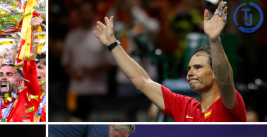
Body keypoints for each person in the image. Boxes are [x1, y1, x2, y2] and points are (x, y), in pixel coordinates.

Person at [94, 1, 247, 122]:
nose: (190, 73)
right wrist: (113, 44)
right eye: (189, 68)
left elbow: (225, 80)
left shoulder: (229, 104)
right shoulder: (183, 106)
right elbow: (142, 81)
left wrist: (214, 40)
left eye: (198, 67)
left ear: (214, 73)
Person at [0, 16, 43, 122]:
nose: (3, 78)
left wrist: (33, 31)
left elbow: (30, 58)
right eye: (0, 75)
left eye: (9, 74)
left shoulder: (29, 97)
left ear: (20, 82)